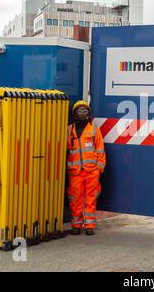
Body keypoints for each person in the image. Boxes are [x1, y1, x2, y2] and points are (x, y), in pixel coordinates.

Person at [66, 100, 106, 235]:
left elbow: (100, 150)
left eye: (85, 111)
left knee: (91, 197)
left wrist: (98, 169)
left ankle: (90, 225)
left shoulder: (94, 129)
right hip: (75, 172)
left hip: (91, 171)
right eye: (79, 111)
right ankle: (76, 225)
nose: (82, 114)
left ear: (88, 113)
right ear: (74, 113)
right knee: (75, 198)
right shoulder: (69, 130)